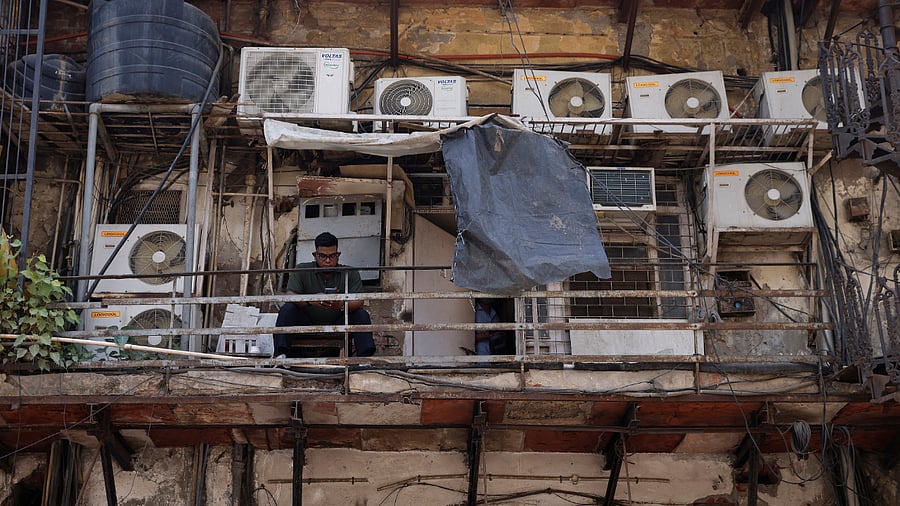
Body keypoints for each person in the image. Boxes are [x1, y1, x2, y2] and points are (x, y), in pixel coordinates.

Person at [274, 232, 376, 357]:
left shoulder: (349, 273)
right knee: (288, 309)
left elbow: (359, 301)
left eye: (332, 256)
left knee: (361, 314)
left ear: (338, 255)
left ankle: (365, 360)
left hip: (338, 321)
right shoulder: (302, 270)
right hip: (307, 321)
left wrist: (340, 304)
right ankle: (281, 356)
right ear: (315, 255)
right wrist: (311, 300)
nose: (328, 260)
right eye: (322, 256)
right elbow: (289, 295)